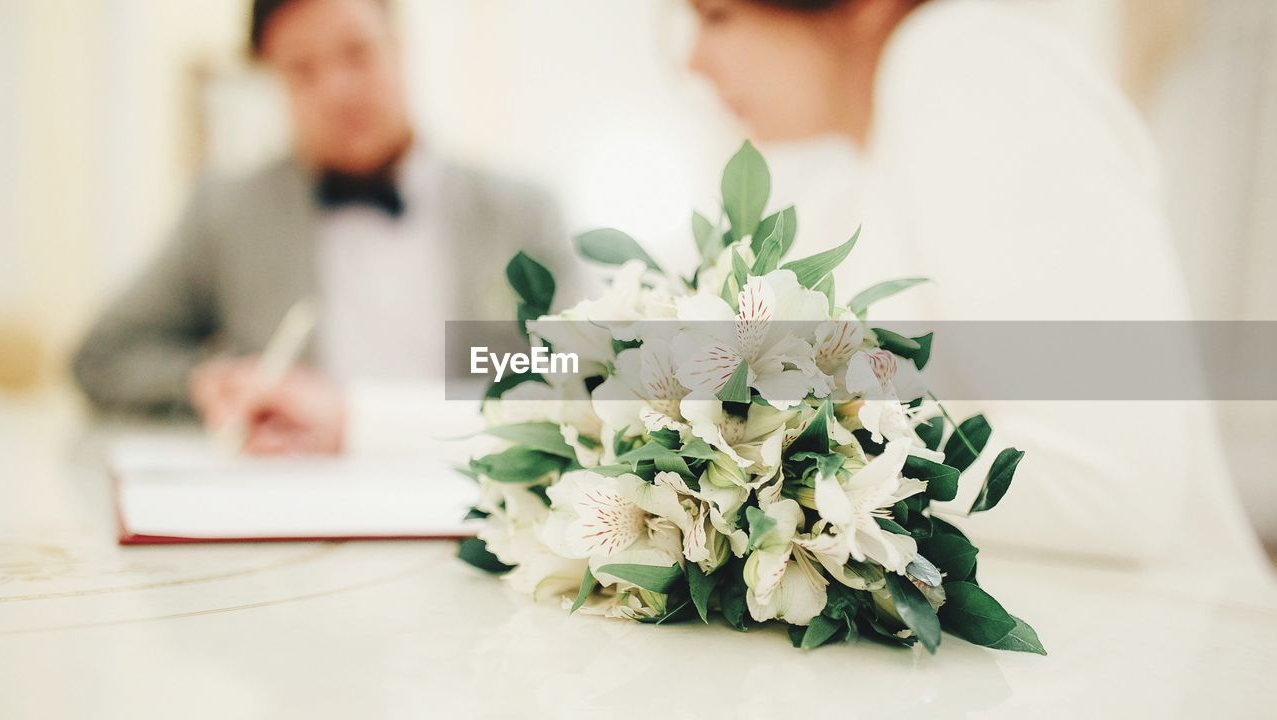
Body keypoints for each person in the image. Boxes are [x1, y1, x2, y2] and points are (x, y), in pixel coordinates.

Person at [685, 0, 1271, 575]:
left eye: (717, 16)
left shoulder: (971, 66)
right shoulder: (855, 181)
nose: (695, 60)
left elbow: (1115, 485)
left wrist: (777, 469)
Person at [74, 0, 573, 455]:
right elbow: (103, 355)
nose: (338, 90)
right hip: (288, 499)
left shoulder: (520, 214)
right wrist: (207, 383)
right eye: (302, 70)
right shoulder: (228, 213)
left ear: (399, 48)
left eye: (357, 54)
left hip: (480, 488)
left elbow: (581, 371)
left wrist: (371, 420)